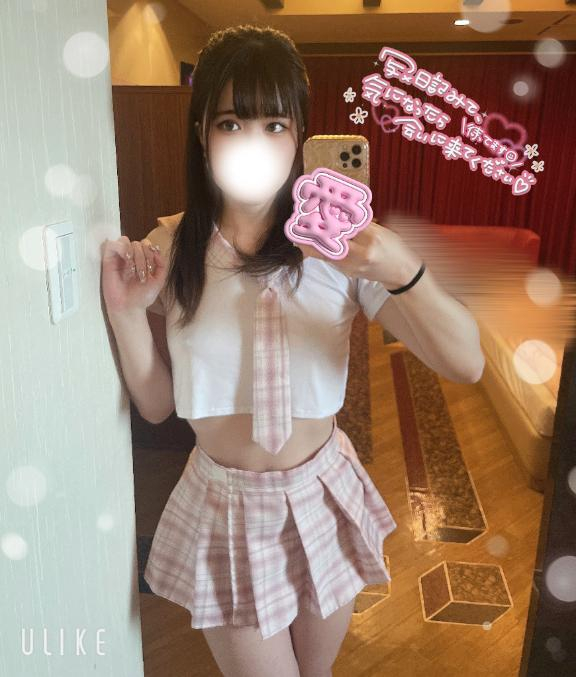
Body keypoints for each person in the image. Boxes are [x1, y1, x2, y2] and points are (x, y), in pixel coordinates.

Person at [101, 24, 485, 677]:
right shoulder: (169, 248)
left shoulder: (343, 248)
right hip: (224, 506)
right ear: (202, 134)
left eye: (274, 125)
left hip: (322, 489)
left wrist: (399, 266)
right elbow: (158, 405)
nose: (253, 142)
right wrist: (126, 311)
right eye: (231, 122)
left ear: (300, 135)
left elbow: (466, 362)